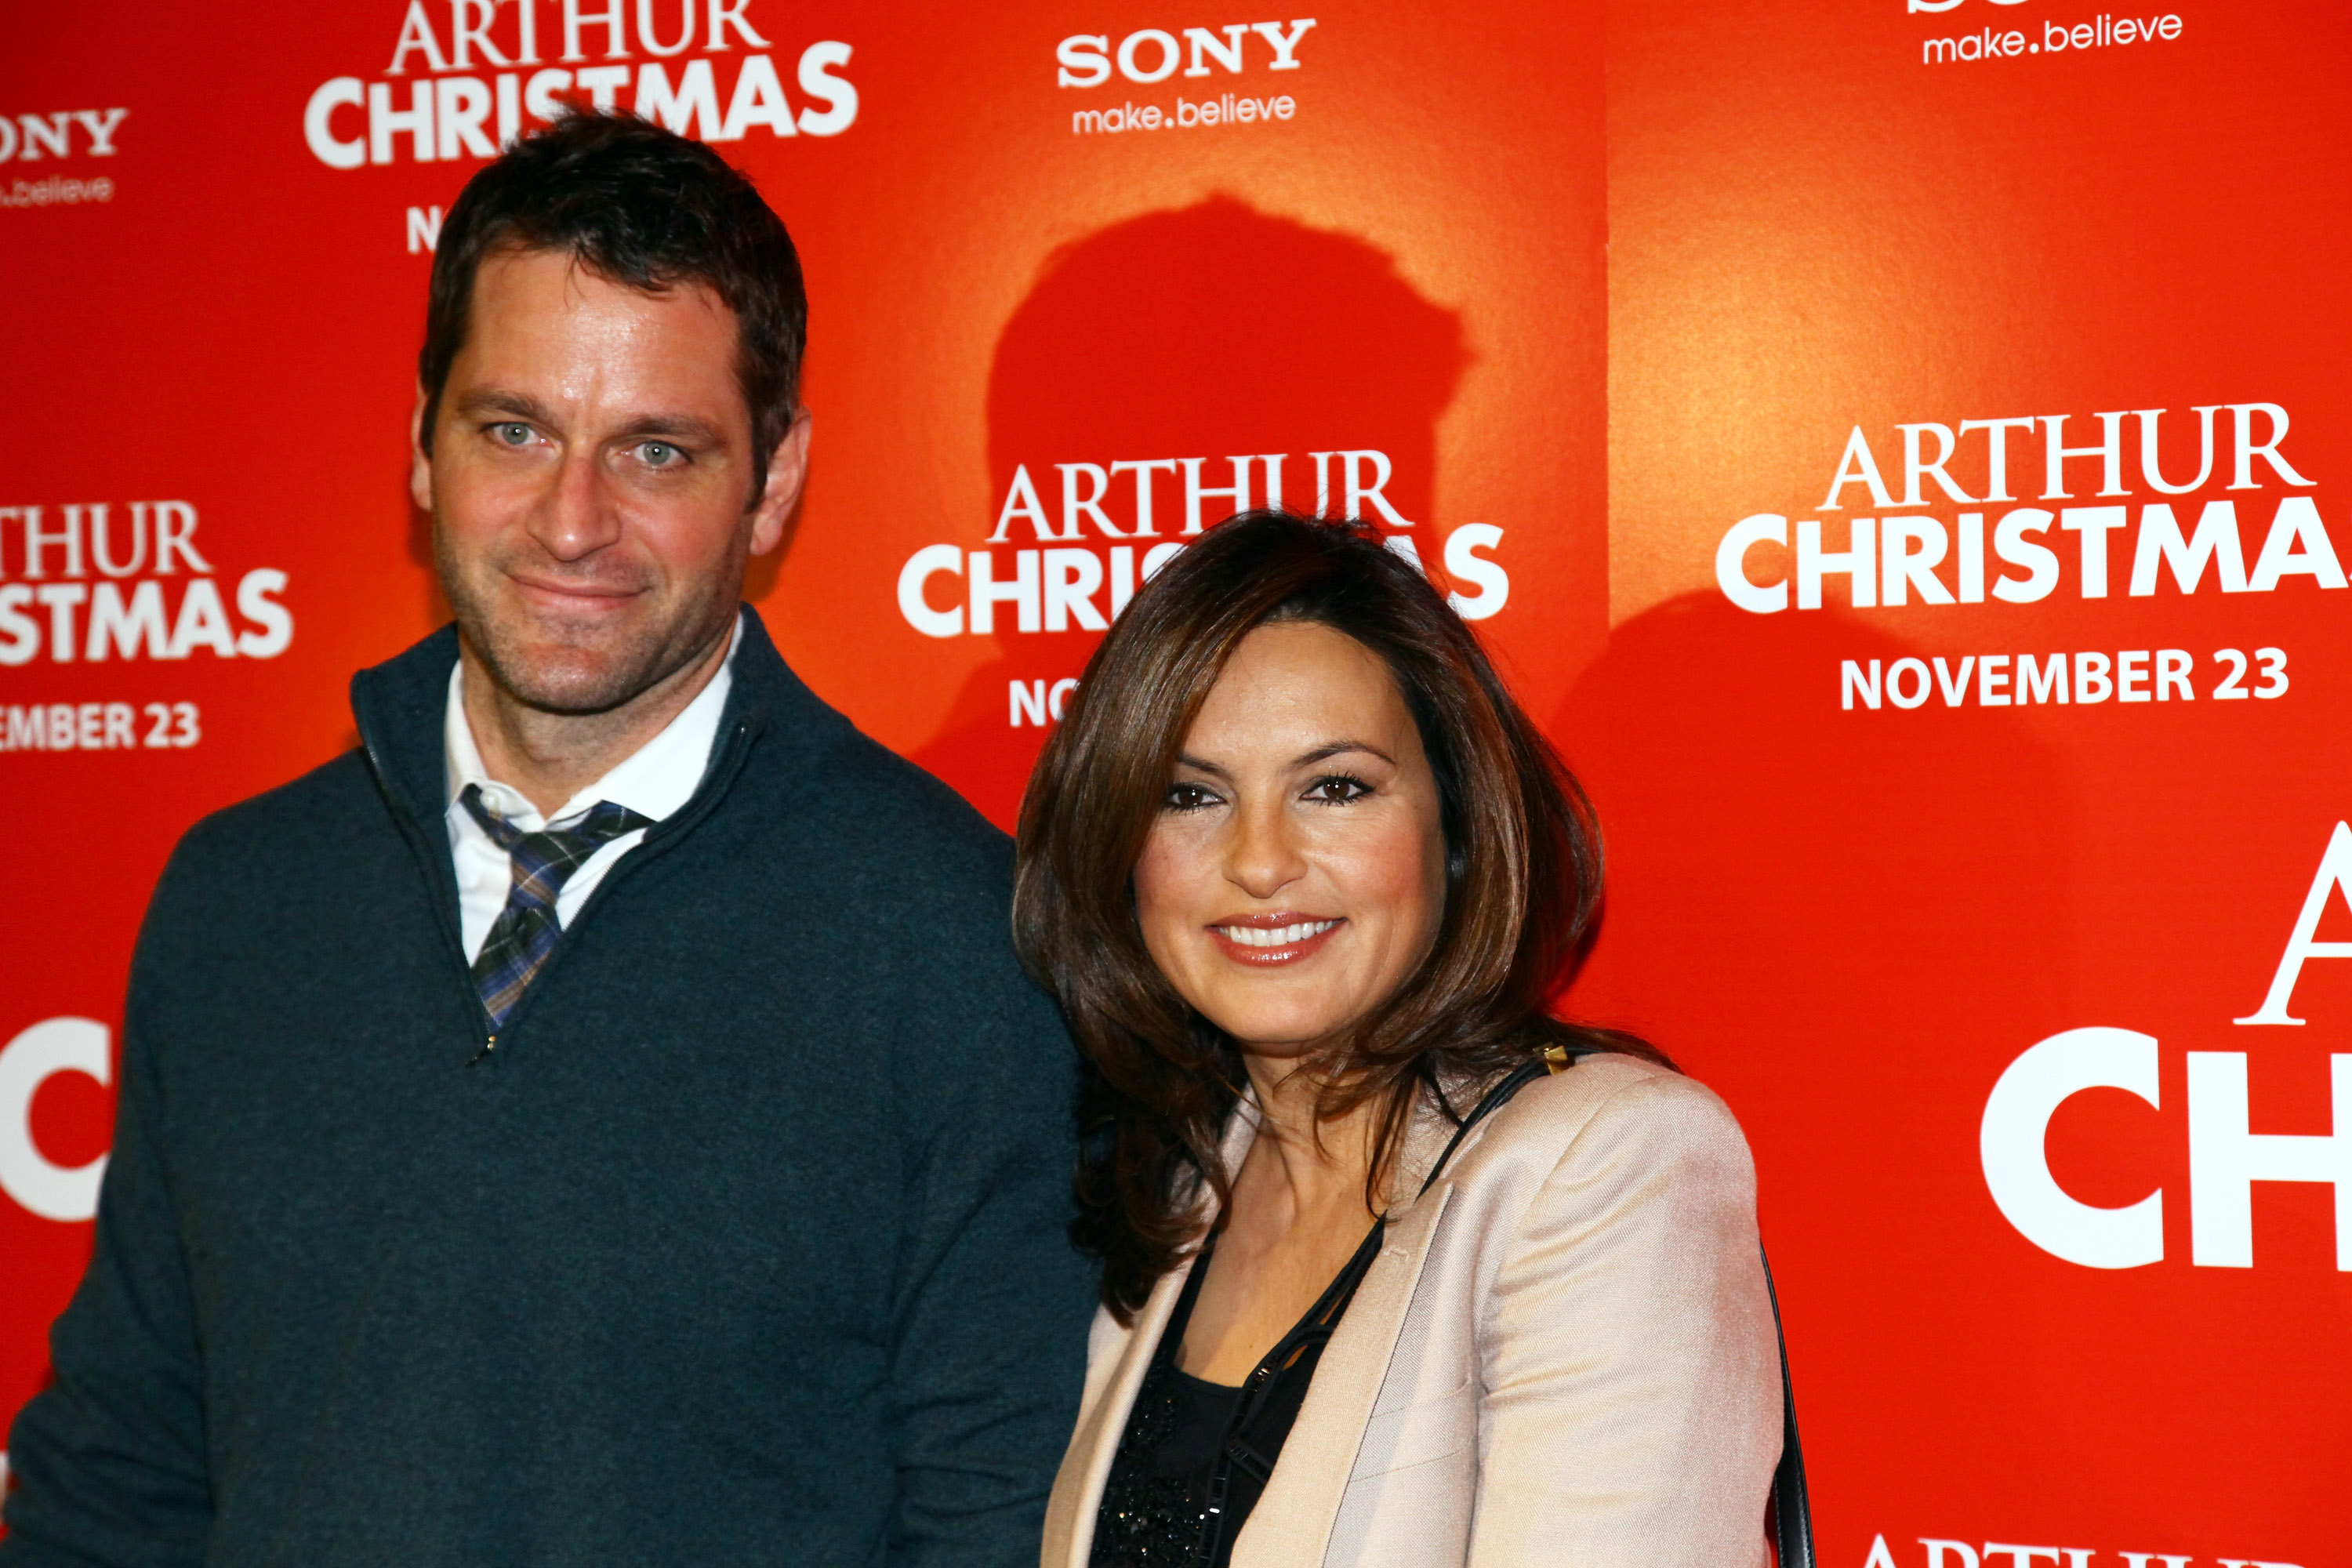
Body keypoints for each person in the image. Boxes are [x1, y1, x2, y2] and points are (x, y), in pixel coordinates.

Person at [0, 113, 1091, 1568]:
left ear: (771, 482)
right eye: (514, 430)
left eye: (657, 449)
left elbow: (991, 1522)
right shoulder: (239, 899)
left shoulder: (960, 937)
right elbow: (117, 1482)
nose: (573, 522)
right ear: (421, 444)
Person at [1015, 513, 1782, 1567]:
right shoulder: (1176, 1183)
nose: (1261, 862)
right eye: (1190, 796)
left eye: (1335, 787)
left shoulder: (1604, 1164)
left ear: (1454, 828)